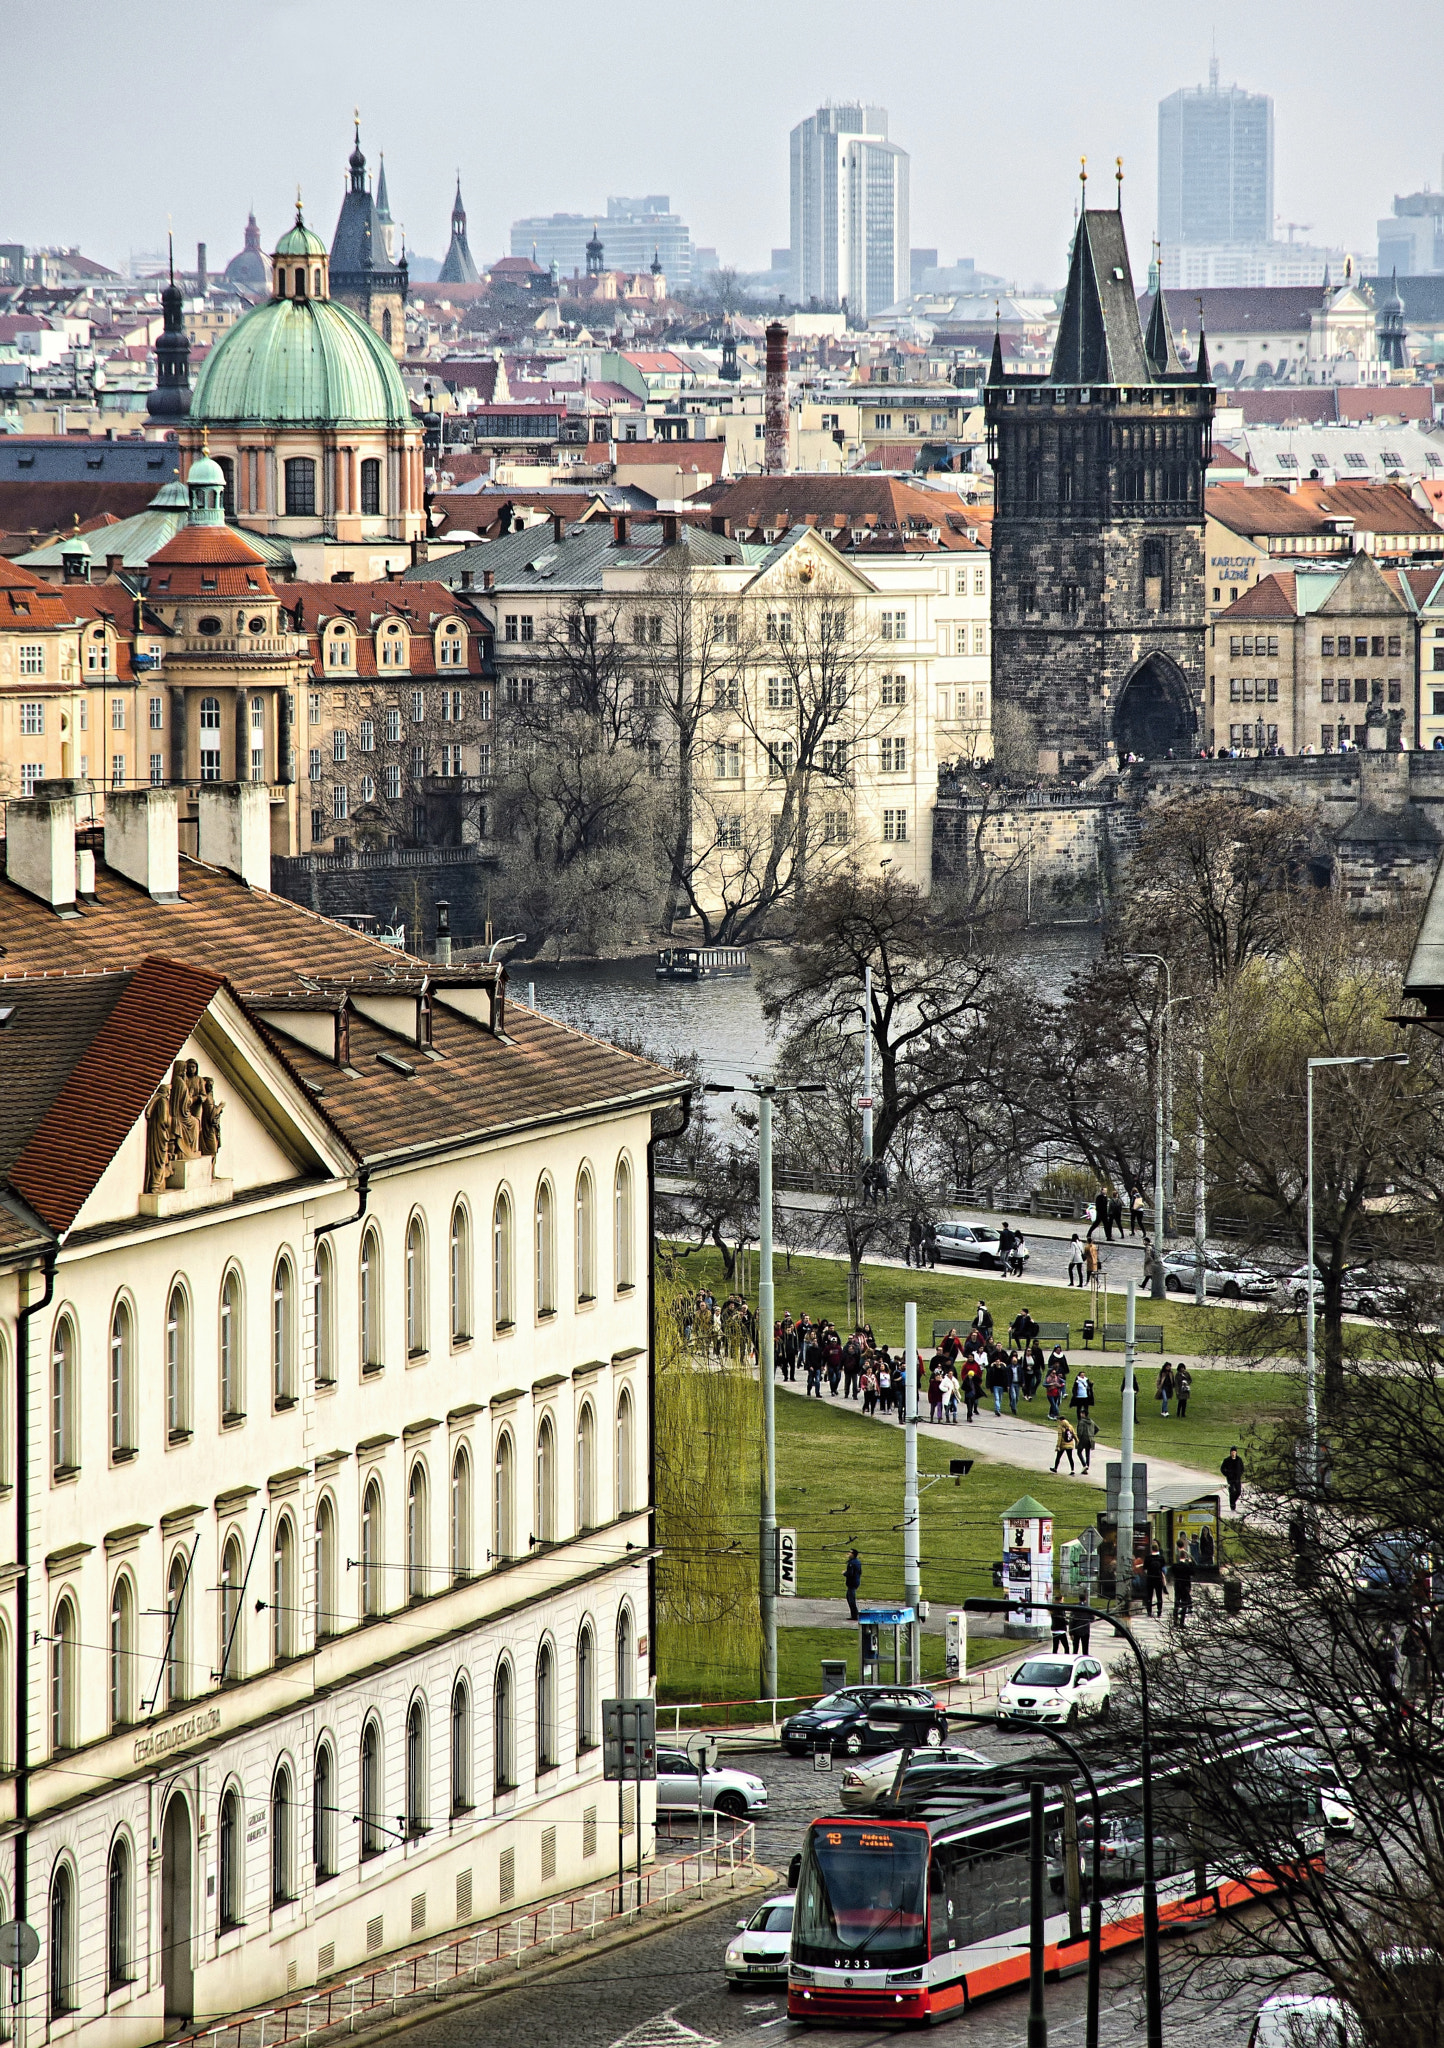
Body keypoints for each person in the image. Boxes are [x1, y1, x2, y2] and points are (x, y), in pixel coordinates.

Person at [1172, 1541, 1195, 1628]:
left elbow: (1173, 1573)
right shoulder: (1187, 1566)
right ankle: (1181, 1622)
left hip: (1177, 1585)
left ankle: (1175, 1621)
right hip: (1185, 1586)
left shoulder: (1175, 1566)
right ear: (1185, 1556)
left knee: (1176, 1603)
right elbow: (1192, 1573)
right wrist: (1190, 1562)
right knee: (1184, 1604)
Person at [1143, 1540, 1167, 1619]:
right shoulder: (1161, 1558)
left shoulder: (1148, 1558)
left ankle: (1149, 1612)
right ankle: (1159, 1611)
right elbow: (1163, 1568)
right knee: (1159, 1595)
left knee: (1149, 1595)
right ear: (1158, 1549)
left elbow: (1145, 1569)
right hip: (1158, 1578)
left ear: (1151, 1549)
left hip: (1150, 1578)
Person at [1221, 1446, 1245, 1512]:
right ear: (1230, 1452)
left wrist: (1240, 1474)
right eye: (1232, 1452)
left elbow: (1242, 1468)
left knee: (1238, 1492)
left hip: (1237, 1479)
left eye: (1234, 1452)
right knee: (1231, 1492)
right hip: (1230, 1479)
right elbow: (1222, 1469)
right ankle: (1232, 1506)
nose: (1233, 1453)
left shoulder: (1239, 1460)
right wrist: (1227, 1474)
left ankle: (1233, 1501)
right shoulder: (1227, 1460)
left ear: (1236, 1452)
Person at [1076, 1409, 1097, 1474]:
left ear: (1084, 1414)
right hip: (1090, 1440)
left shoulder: (1081, 1422)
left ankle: (1084, 1465)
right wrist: (1092, 1434)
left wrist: (1078, 1439)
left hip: (1083, 1439)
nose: (1080, 1414)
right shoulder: (1091, 1421)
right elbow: (1097, 1429)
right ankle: (1087, 1467)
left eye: (1081, 1413)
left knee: (1079, 1452)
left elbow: (1080, 1432)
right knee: (1087, 1454)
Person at [844, 1548, 862, 1621]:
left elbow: (850, 1574)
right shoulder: (857, 1562)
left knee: (851, 1599)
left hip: (852, 1583)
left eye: (850, 1553)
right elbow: (860, 1572)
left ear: (853, 1554)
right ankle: (855, 1614)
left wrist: (844, 1573)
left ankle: (855, 1615)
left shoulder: (851, 1563)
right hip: (856, 1581)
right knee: (849, 1597)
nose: (848, 1554)